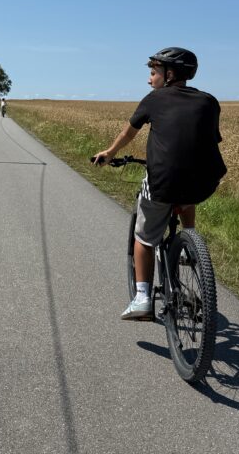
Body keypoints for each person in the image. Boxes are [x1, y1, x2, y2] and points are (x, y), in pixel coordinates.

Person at [92, 47, 226, 320]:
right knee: (188, 191)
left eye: (153, 73)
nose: (149, 79)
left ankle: (142, 298)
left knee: (143, 236)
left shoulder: (154, 99)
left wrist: (109, 153)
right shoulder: (210, 102)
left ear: (170, 74)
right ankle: (190, 241)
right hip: (206, 181)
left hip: (163, 181)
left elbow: (128, 131)